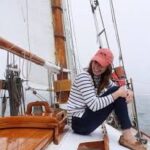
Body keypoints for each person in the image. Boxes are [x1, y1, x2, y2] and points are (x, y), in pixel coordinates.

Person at [67, 48, 146, 150]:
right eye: (95, 62)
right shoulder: (84, 76)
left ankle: (127, 135)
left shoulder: (101, 78)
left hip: (84, 121)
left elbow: (119, 89)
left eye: (101, 65)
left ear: (107, 67)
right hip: (78, 123)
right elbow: (94, 105)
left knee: (117, 90)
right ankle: (127, 136)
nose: (96, 67)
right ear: (92, 60)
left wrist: (129, 92)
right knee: (116, 92)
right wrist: (118, 93)